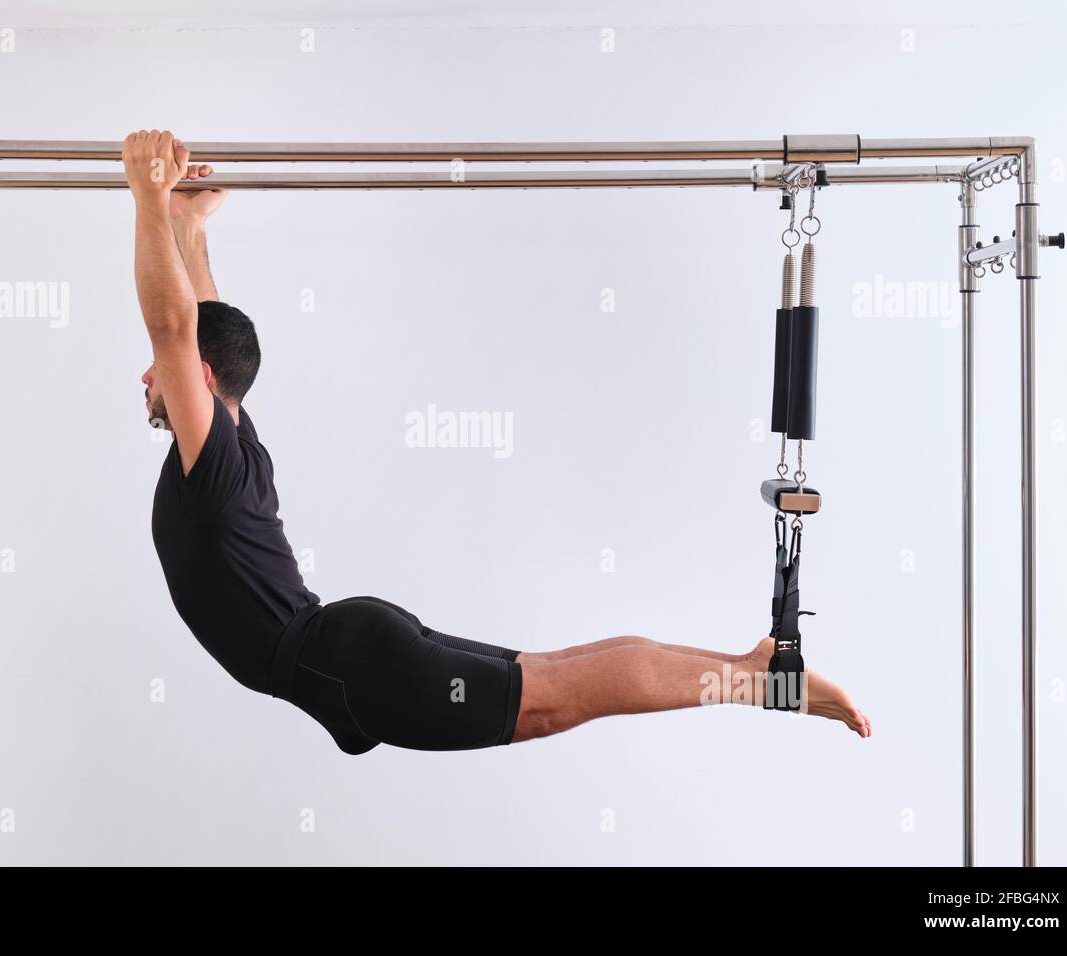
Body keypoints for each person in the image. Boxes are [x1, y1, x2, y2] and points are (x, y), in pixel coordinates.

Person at [124, 129, 871, 756]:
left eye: (161, 369)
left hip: (350, 666)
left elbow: (181, 329)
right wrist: (187, 229)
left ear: (198, 374)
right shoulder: (227, 440)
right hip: (346, 657)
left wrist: (149, 197)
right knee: (558, 675)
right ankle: (754, 669)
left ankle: (759, 684)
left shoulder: (217, 454)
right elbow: (198, 330)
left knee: (560, 695)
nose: (145, 377)